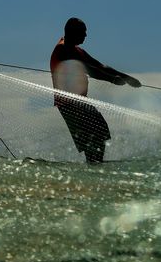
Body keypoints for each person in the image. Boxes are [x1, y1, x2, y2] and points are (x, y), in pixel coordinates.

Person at [50, 17, 141, 163]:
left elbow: (100, 67)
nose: (86, 35)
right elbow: (91, 71)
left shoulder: (77, 50)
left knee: (100, 131)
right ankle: (94, 165)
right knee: (93, 136)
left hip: (79, 102)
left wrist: (127, 78)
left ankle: (95, 164)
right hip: (69, 104)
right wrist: (112, 79)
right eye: (83, 32)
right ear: (73, 32)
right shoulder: (63, 49)